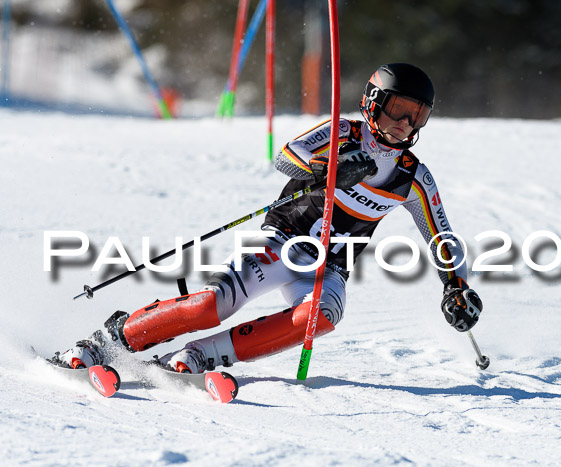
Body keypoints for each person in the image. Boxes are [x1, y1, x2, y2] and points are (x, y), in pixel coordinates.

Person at [58, 63, 484, 373]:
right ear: (374, 103)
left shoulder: (414, 176)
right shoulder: (341, 132)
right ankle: (110, 339)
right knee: (212, 303)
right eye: (398, 110)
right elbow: (286, 159)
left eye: (417, 115)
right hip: (284, 242)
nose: (404, 124)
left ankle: (203, 356)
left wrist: (456, 287)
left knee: (319, 319)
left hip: (330, 266)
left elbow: (441, 237)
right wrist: (328, 170)